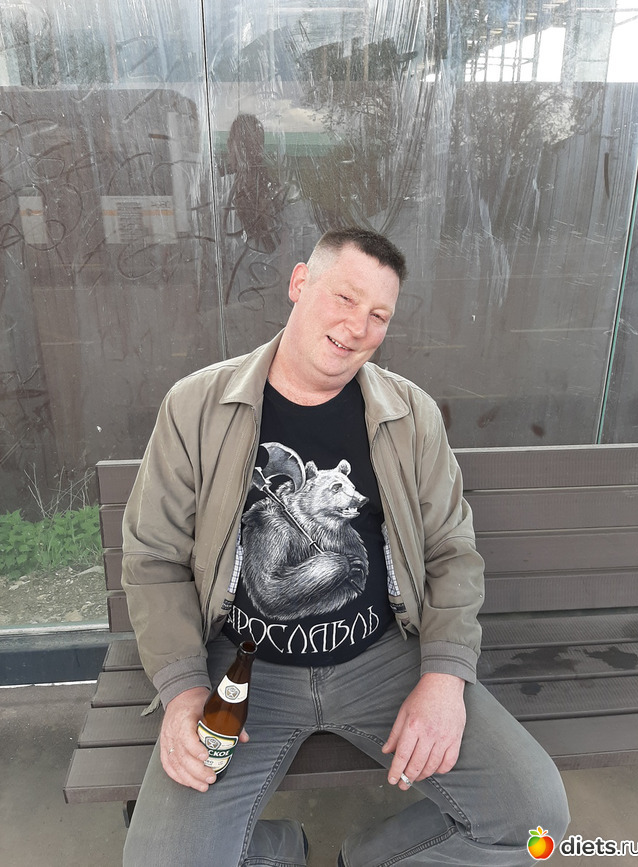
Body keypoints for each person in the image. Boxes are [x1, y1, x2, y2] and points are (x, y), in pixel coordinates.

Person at [122, 228, 569, 866]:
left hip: (382, 661)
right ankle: (279, 851)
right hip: (244, 671)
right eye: (345, 298)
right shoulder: (197, 407)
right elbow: (154, 559)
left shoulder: (409, 414)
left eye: (379, 315)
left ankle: (366, 857)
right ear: (300, 283)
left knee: (534, 819)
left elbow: (451, 551)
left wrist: (444, 676)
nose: (357, 327)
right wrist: (184, 689)